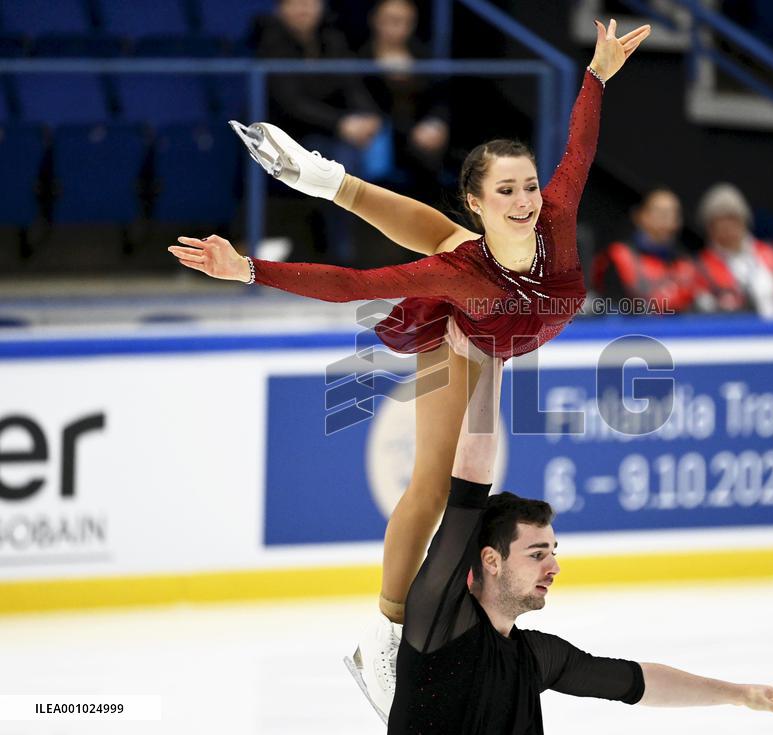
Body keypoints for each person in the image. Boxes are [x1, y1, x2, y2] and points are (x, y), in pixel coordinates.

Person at [169, 18, 652, 720]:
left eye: (527, 188)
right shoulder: (459, 275)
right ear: (480, 202)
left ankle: (325, 177)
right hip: (461, 334)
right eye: (507, 194)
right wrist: (247, 268)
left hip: (497, 315)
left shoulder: (553, 219)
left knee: (455, 246)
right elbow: (352, 284)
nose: (525, 202)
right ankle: (384, 637)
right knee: (431, 485)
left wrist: (597, 74)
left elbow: (578, 148)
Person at [386, 340, 773, 732]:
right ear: (491, 560)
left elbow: (637, 683)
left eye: (552, 552)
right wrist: (492, 360)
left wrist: (739, 694)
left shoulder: (535, 657)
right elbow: (470, 485)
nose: (554, 567)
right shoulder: (440, 621)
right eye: (537, 554)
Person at [255, 0, 384, 263]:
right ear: (280, 8)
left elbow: (352, 86)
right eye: (295, 3)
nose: (304, 9)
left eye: (310, 3)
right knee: (339, 164)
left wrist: (368, 115)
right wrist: (341, 123)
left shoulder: (332, 40)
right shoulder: (269, 44)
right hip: (286, 137)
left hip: (330, 134)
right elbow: (291, 104)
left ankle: (348, 252)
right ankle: (341, 254)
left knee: (348, 160)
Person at [359, 0, 452, 200]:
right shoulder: (360, 57)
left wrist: (435, 124)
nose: (397, 27)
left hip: (421, 132)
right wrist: (410, 130)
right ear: (375, 20)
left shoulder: (423, 56)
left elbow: (439, 99)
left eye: (404, 21)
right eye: (391, 20)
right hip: (383, 133)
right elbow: (362, 101)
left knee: (432, 158)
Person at [695, 183, 773, 320]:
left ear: (744, 220)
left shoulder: (771, 253)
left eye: (732, 218)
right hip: (738, 337)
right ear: (709, 228)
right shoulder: (700, 267)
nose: (727, 227)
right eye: (719, 221)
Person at [590, 188, 708, 314]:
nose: (666, 219)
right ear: (640, 216)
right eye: (660, 212)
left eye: (672, 213)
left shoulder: (686, 264)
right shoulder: (618, 257)